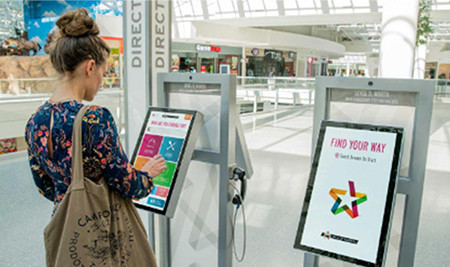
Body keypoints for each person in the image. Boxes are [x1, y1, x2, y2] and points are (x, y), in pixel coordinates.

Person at [25, 8, 166, 233]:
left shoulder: (35, 121)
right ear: (90, 67)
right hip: (99, 230)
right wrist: (147, 174)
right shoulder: (95, 119)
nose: (102, 80)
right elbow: (128, 185)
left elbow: (44, 186)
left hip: (64, 229)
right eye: (103, 71)